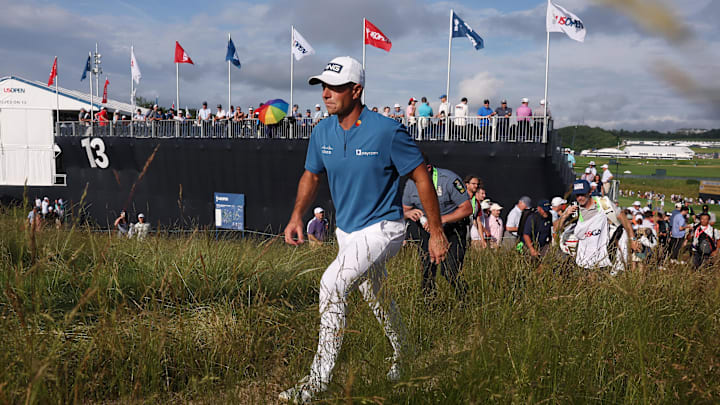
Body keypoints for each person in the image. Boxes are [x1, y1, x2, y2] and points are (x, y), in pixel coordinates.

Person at [280, 56, 448, 403]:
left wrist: (436, 231)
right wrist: (297, 216)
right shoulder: (321, 131)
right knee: (376, 294)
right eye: (323, 86)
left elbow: (420, 176)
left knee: (332, 283)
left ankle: (316, 382)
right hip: (348, 233)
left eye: (335, 87)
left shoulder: (387, 131)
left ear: (356, 90)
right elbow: (311, 175)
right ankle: (407, 355)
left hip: (385, 227)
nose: (326, 93)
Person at [403, 153, 472, 301]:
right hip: (427, 231)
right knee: (427, 271)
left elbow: (467, 208)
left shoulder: (449, 180)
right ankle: (430, 307)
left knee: (449, 272)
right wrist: (409, 213)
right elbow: (404, 210)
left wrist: (440, 220)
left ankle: (466, 302)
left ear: (428, 168)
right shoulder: (410, 183)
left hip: (452, 229)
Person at [557, 180, 637, 270]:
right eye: (577, 195)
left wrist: (632, 239)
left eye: (582, 194)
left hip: (602, 262)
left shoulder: (603, 203)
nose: (580, 198)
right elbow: (556, 228)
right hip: (582, 262)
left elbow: (624, 220)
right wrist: (565, 215)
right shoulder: (574, 208)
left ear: (590, 192)